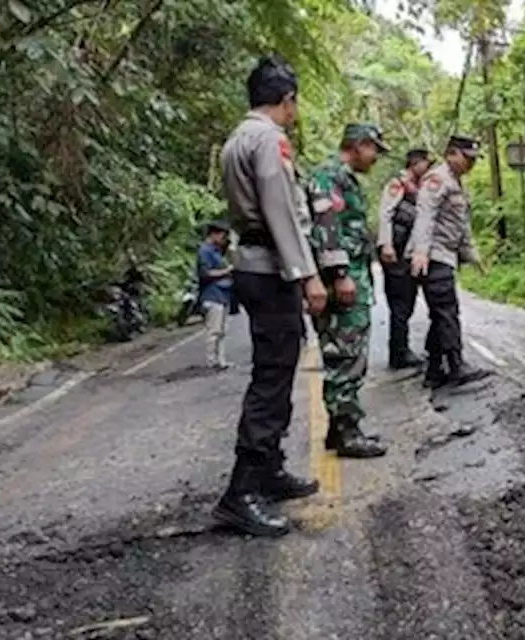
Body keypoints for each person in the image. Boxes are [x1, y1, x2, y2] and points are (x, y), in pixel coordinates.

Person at [216, 54, 325, 538]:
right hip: (270, 267)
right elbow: (280, 210)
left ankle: (271, 470)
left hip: (251, 265)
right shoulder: (269, 140)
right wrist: (307, 275)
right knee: (272, 379)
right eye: (295, 104)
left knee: (276, 369)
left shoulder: (237, 138)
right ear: (287, 100)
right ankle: (241, 492)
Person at [304, 123, 390, 459]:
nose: (374, 159)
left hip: (352, 273)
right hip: (342, 277)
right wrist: (339, 273)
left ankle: (338, 428)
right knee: (346, 354)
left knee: (348, 351)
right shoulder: (329, 176)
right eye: (373, 150)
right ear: (358, 145)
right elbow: (326, 226)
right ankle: (346, 431)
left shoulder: (343, 177)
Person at [408, 135, 494, 389]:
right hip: (433, 257)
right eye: (467, 158)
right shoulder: (437, 180)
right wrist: (421, 251)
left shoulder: (456, 184)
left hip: (446, 255)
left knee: (439, 314)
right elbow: (425, 215)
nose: (471, 165)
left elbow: (462, 226)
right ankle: (457, 366)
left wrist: (474, 256)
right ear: (452, 153)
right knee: (447, 311)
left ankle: (435, 371)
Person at [377, 148, 432, 370]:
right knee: (400, 303)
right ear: (415, 163)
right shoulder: (398, 184)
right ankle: (398, 352)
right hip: (397, 252)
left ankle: (402, 349)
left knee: (407, 302)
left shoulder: (419, 188)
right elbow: (385, 213)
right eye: (426, 163)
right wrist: (386, 244)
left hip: (408, 252)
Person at [197, 220, 234, 369]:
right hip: (212, 295)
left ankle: (221, 360)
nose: (223, 239)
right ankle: (211, 360)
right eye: (222, 236)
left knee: (222, 331)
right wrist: (226, 271)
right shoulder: (204, 251)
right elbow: (205, 273)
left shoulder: (217, 251)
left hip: (223, 294)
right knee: (214, 330)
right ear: (214, 234)